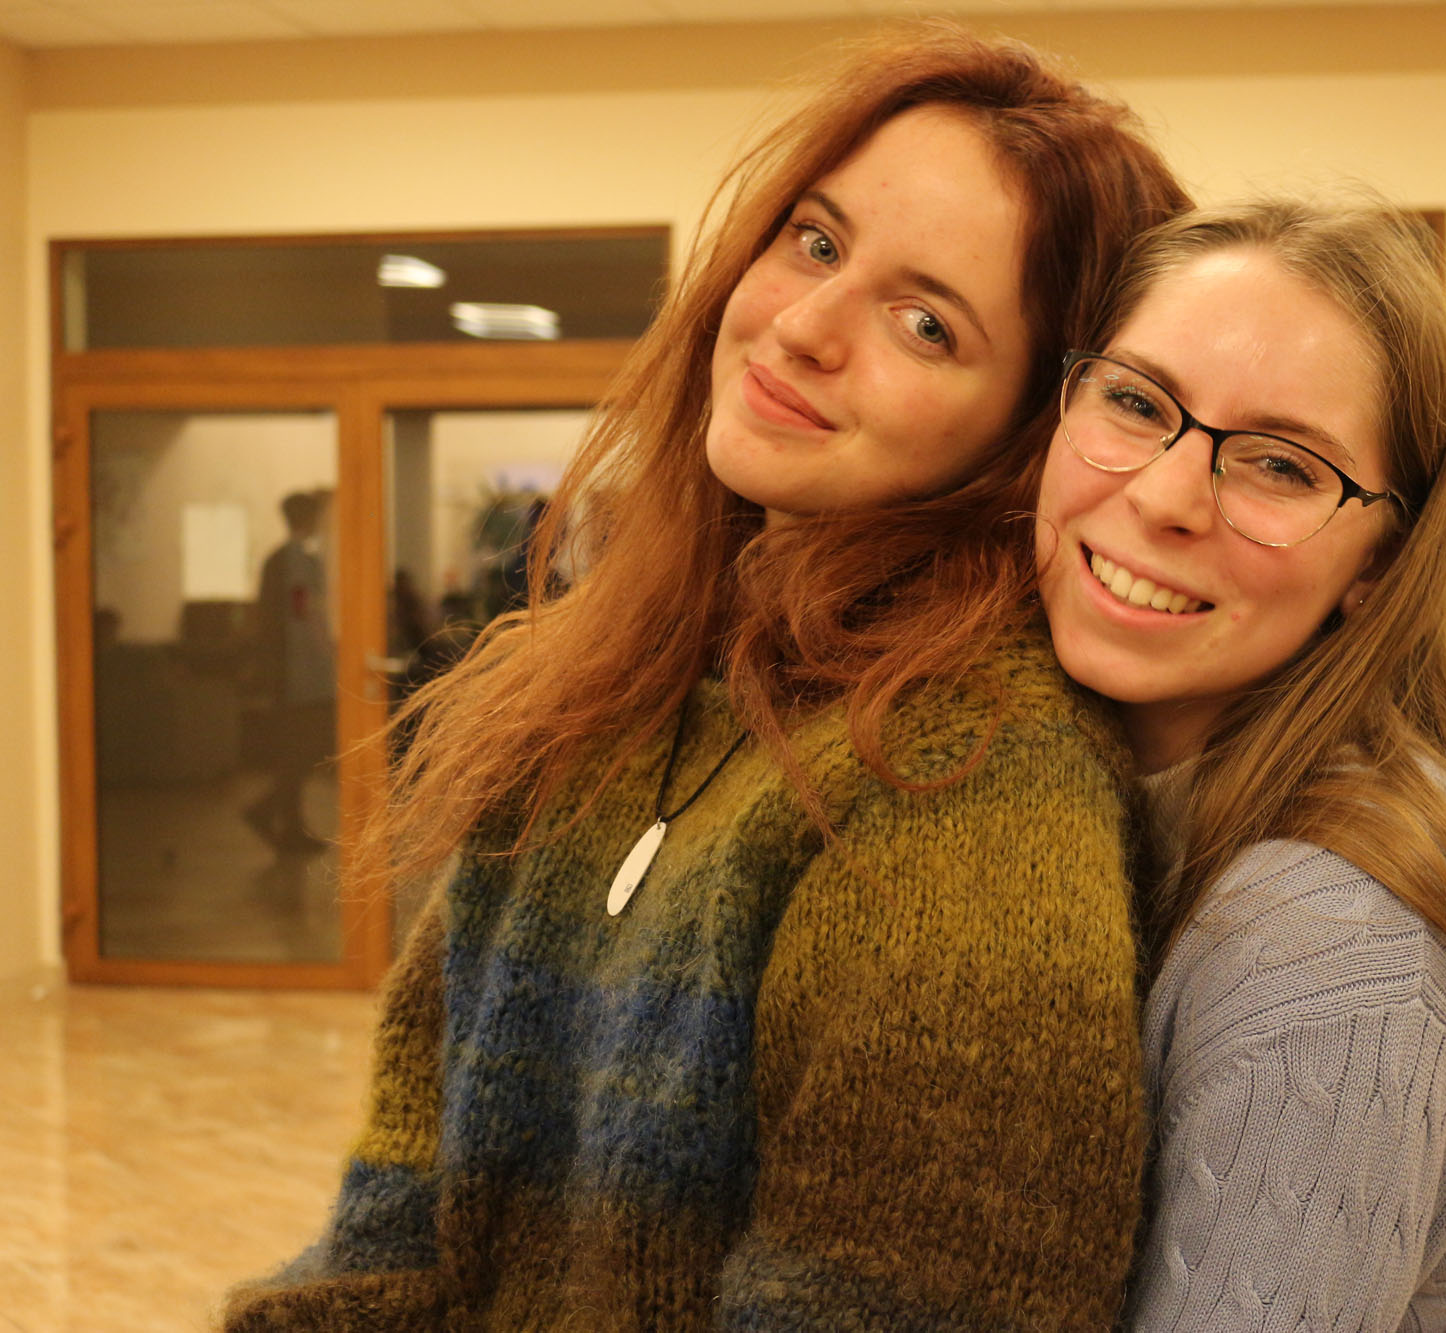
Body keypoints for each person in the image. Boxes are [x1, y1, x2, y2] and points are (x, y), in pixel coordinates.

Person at [224, 24, 1188, 1330]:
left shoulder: (969, 773)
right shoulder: (596, 678)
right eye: (815, 242)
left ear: (1028, 430)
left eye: (924, 323)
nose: (802, 326)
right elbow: (396, 1209)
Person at [1035, 198, 1446, 1331]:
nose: (1164, 497)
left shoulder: (1333, 944)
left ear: (1377, 565)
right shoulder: (1077, 796)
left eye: (1279, 465)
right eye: (1134, 400)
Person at [243, 488, 335, 854]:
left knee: (297, 750)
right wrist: (329, 656)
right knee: (307, 747)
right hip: (301, 675)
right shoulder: (298, 561)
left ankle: (287, 823)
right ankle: (269, 812)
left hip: (288, 673)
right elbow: (304, 616)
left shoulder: (280, 559)